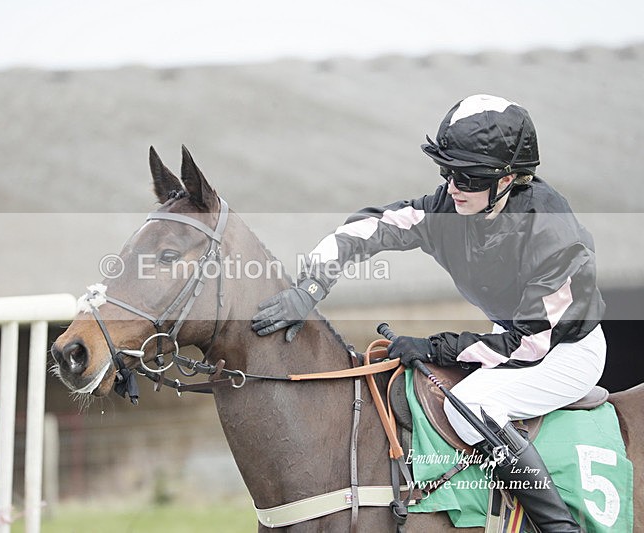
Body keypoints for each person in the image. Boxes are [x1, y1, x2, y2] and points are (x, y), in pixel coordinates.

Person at [251, 94, 605, 532]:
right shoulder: (447, 209)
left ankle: (558, 527)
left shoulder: (552, 233)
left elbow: (530, 345)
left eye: (468, 177)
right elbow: (367, 229)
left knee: (470, 406)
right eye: (447, 172)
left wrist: (433, 346)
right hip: (513, 333)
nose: (452, 186)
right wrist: (309, 286)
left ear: (509, 178)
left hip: (566, 349)